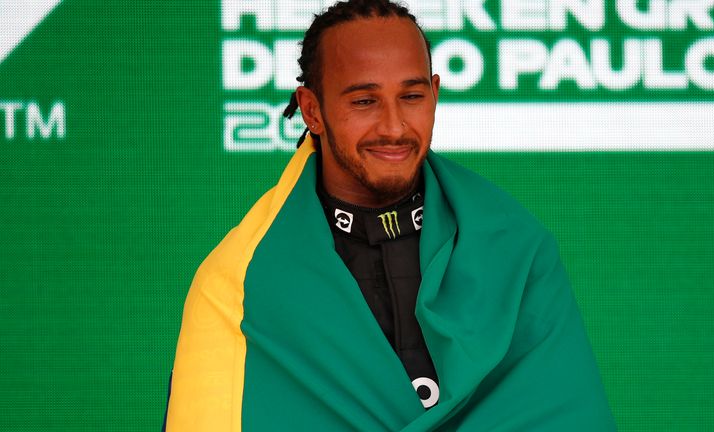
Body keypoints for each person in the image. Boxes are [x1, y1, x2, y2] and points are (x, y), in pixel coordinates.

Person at [164, 1, 615, 430]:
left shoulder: (516, 251)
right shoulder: (240, 287)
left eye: (412, 96)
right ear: (311, 110)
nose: (394, 127)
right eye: (364, 101)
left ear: (435, 93)